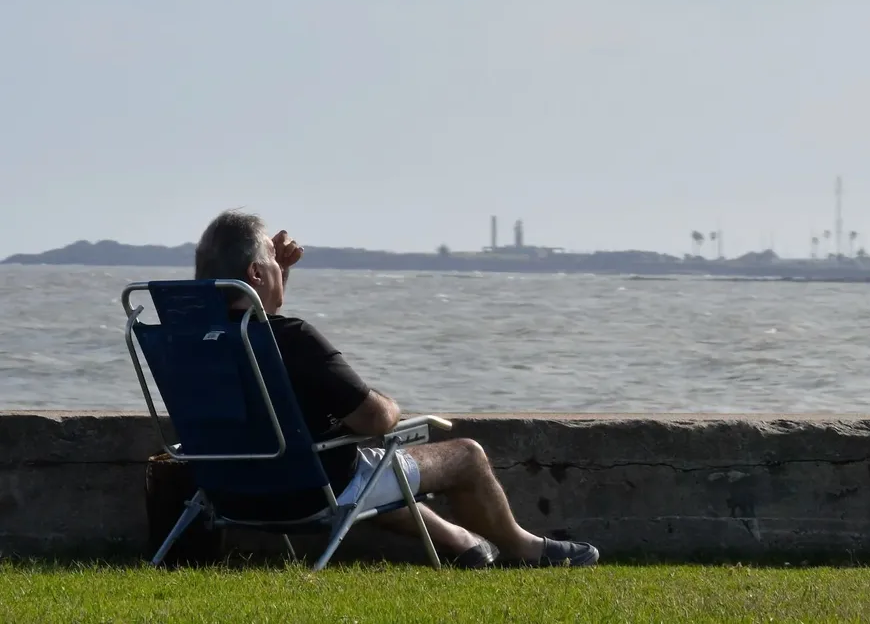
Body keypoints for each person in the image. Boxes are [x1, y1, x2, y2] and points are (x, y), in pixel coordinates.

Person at [194, 209, 599, 568]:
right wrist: (390, 405)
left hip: (228, 491)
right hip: (309, 493)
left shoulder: (193, 341)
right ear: (255, 274)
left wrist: (277, 271)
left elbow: (258, 323)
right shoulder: (295, 338)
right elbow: (375, 420)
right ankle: (523, 548)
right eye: (273, 266)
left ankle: (463, 542)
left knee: (372, 472)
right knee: (466, 456)